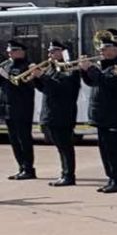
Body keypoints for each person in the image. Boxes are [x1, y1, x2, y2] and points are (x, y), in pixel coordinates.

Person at [79, 34, 117, 193]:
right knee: (105, 149)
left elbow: (108, 81)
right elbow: (92, 82)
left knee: (114, 149)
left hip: (113, 113)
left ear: (115, 49)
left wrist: (90, 68)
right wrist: (84, 71)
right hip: (101, 113)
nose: (101, 51)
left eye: (104, 49)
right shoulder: (104, 64)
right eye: (100, 48)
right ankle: (111, 178)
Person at [35, 41, 81, 186]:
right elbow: (46, 89)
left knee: (65, 146)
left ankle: (68, 175)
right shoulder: (52, 68)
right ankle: (64, 173)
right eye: (50, 51)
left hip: (63, 113)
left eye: (54, 51)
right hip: (51, 112)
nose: (50, 54)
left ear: (63, 52)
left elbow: (62, 88)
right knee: (60, 146)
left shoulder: (69, 67)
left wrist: (42, 76)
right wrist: (36, 78)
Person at [2, 40, 38, 180]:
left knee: (24, 139)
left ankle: (29, 168)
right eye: (9, 51)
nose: (9, 53)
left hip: (22, 107)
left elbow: (26, 85)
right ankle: (21, 167)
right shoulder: (6, 65)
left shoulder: (28, 66)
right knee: (14, 140)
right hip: (7, 107)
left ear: (21, 52)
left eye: (13, 50)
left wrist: (7, 76)